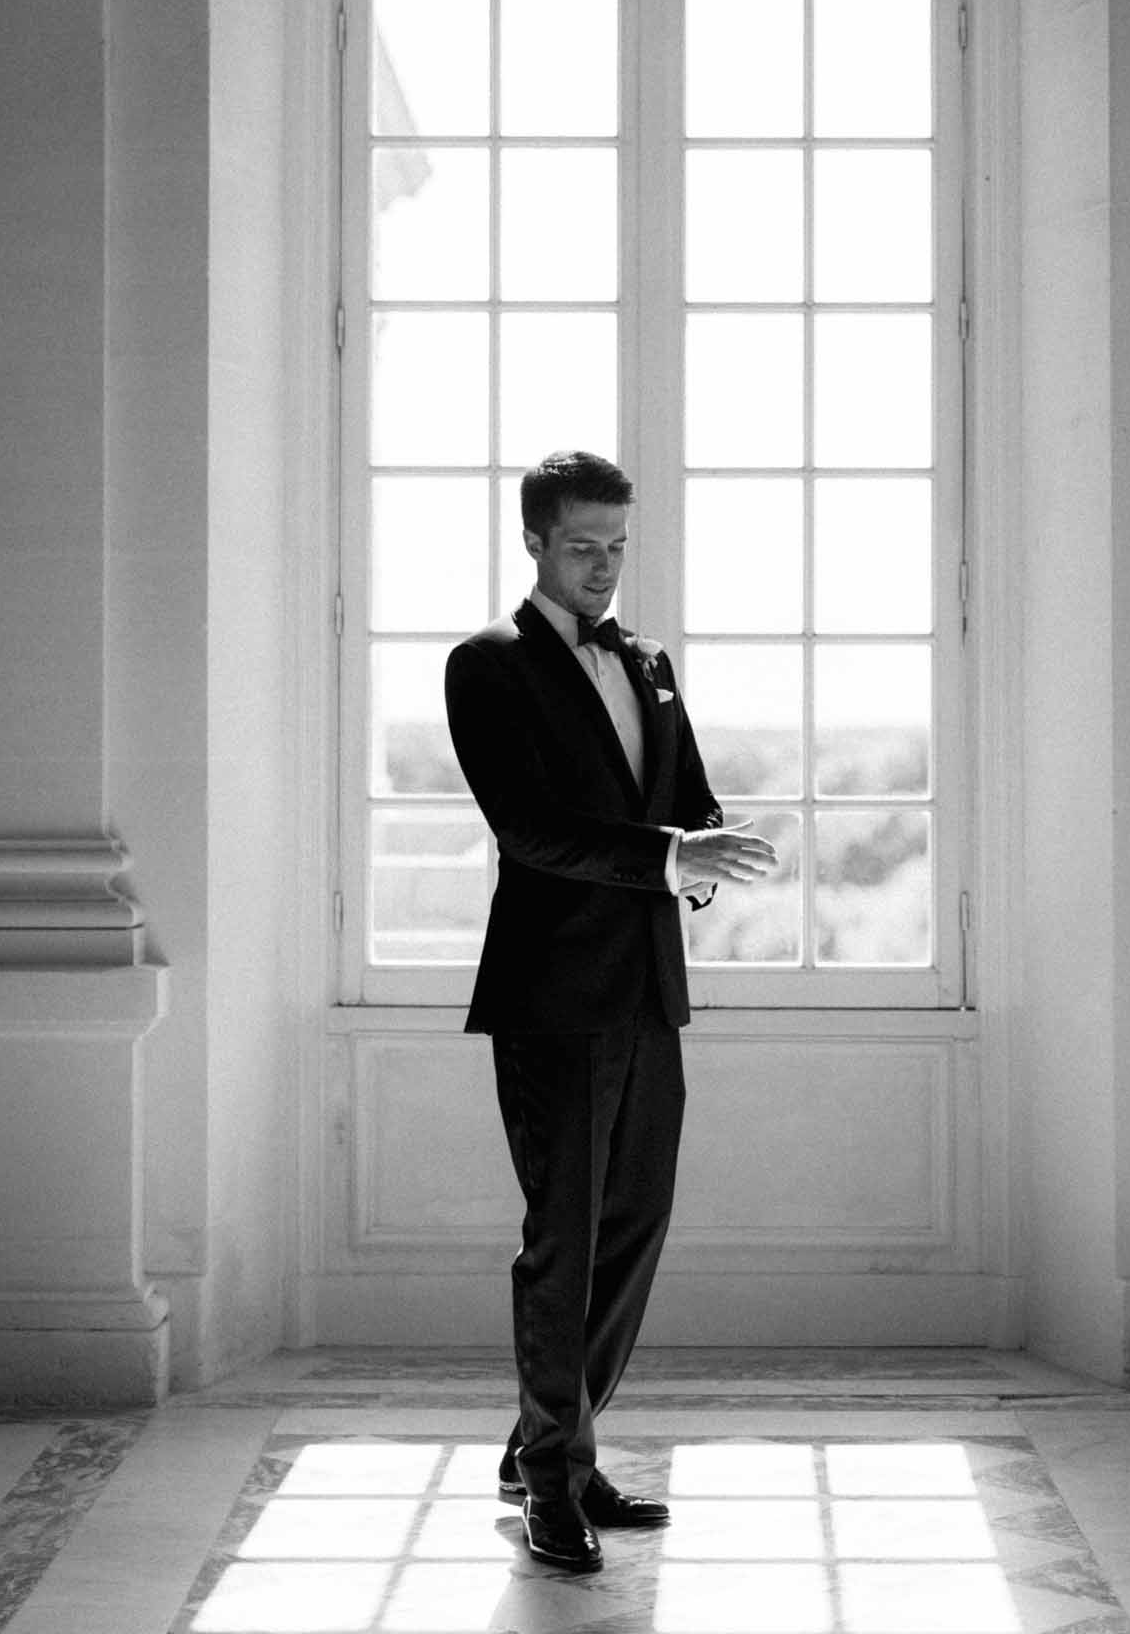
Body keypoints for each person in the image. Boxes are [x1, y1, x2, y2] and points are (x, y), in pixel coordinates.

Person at [444, 449, 777, 1574]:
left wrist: (702, 849)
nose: (602, 566)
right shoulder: (485, 665)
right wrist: (669, 851)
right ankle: (550, 1481)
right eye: (582, 544)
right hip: (550, 998)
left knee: (632, 1228)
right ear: (534, 541)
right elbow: (529, 828)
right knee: (562, 1239)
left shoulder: (648, 661)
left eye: (617, 545)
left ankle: (556, 1448)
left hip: (646, 991)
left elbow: (684, 801)